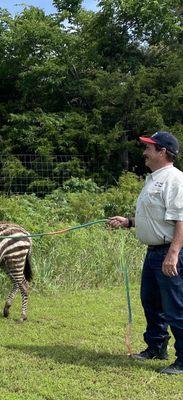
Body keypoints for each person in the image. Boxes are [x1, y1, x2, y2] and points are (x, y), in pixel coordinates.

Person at [108, 131, 183, 375]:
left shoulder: (175, 179)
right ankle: (156, 347)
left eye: (149, 148)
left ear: (162, 152)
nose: (145, 152)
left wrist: (173, 253)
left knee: (175, 307)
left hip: (169, 253)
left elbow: (181, 220)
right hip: (153, 253)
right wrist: (129, 222)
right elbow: (155, 218)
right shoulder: (152, 179)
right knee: (151, 302)